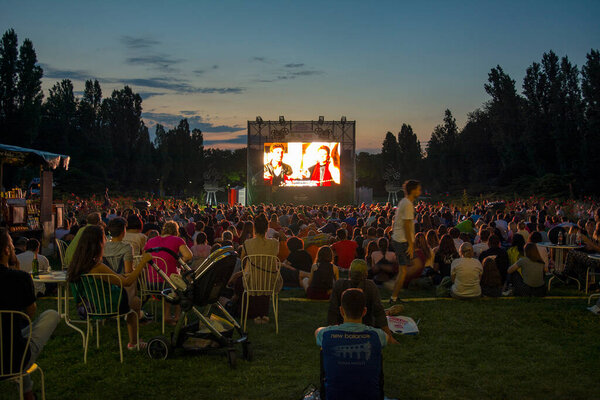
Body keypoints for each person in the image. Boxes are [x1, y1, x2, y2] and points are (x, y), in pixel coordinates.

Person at [67, 225, 152, 349]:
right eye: (104, 239)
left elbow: (116, 278)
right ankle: (133, 343)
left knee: (131, 297)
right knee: (135, 301)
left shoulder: (78, 264)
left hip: (86, 306)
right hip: (105, 306)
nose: (106, 242)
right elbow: (127, 281)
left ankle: (135, 338)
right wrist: (142, 263)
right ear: (98, 243)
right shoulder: (97, 267)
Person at [0, 228, 60, 400]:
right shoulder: (19, 278)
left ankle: (27, 393)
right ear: (6, 250)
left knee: (16, 338)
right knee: (51, 315)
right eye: (11, 245)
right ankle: (28, 393)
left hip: (12, 347)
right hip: (12, 358)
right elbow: (30, 313)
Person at [315, 288, 387, 400]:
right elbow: (386, 337)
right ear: (364, 311)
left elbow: (318, 331)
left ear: (341, 311)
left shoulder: (325, 334)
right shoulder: (378, 335)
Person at [327, 259, 397, 344]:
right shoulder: (370, 286)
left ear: (349, 273)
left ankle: (389, 311)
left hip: (344, 327)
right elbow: (379, 312)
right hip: (365, 328)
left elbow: (332, 311)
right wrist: (389, 337)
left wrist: (332, 334)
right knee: (384, 313)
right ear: (366, 274)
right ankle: (389, 311)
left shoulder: (339, 285)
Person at [233, 214, 282, 324]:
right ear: (266, 228)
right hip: (270, 281)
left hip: (252, 281)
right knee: (255, 281)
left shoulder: (247, 243)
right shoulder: (274, 243)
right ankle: (260, 313)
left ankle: (248, 311)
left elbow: (243, 261)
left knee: (240, 282)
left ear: (254, 228)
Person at [144, 221, 193, 325]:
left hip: (149, 282)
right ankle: (176, 316)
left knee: (170, 283)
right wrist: (179, 263)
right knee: (180, 286)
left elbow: (143, 258)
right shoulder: (177, 240)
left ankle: (167, 315)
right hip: (166, 282)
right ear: (176, 231)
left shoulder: (150, 241)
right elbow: (188, 256)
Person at [390, 179, 421, 304]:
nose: (420, 191)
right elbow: (407, 225)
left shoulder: (404, 202)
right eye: (418, 189)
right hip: (402, 240)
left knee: (410, 267)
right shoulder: (407, 204)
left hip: (399, 239)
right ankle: (394, 296)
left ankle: (395, 287)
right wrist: (410, 244)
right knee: (404, 270)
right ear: (413, 190)